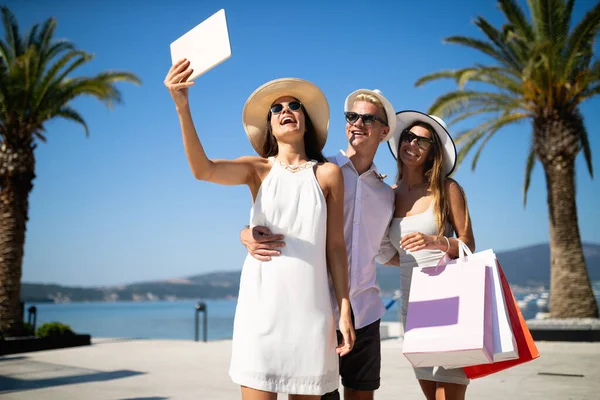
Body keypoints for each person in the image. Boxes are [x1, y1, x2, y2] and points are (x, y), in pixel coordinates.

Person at [164, 59, 355, 400]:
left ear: (306, 121)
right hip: (261, 307)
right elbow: (202, 170)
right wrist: (182, 106)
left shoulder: (328, 174)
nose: (286, 110)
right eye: (276, 108)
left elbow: (336, 247)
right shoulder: (257, 170)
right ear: (269, 124)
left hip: (310, 313)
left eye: (294, 106)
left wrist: (344, 310)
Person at [242, 88, 399, 400]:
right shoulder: (317, 169)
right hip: (315, 310)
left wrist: (433, 258)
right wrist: (245, 233)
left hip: (365, 311)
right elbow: (271, 214)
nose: (357, 123)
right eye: (352, 116)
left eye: (367, 118)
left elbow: (383, 250)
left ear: (384, 131)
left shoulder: (387, 195)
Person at [377, 110, 476, 400]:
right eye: (409, 136)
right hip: (411, 306)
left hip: (448, 302)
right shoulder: (390, 195)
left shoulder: (447, 189)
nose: (413, 144)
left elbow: (469, 244)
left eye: (423, 141)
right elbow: (386, 252)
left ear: (433, 151)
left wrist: (436, 241)